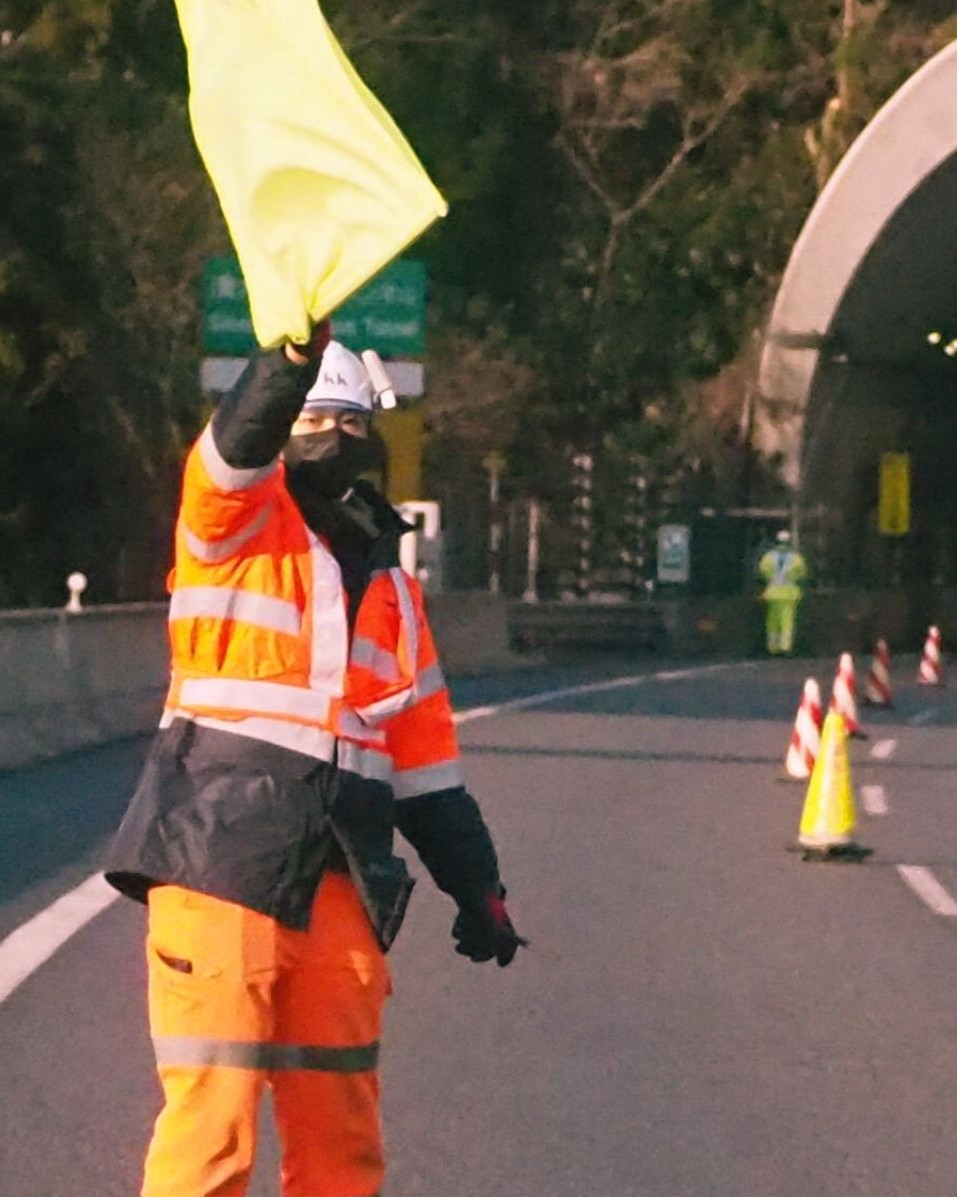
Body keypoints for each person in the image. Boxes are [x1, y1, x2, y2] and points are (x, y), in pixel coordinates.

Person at [105, 326, 523, 1197]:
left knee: (342, 1147)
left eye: (349, 419)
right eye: (314, 418)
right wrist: (286, 366)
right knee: (211, 1142)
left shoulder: (392, 587)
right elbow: (232, 450)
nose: (334, 435)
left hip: (342, 883)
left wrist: (476, 886)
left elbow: (426, 770)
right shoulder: (229, 530)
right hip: (219, 862)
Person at [757, 529, 808, 655]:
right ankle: (785, 647)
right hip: (789, 594)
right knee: (787, 621)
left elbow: (762, 572)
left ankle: (772, 647)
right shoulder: (796, 558)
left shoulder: (768, 557)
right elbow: (802, 574)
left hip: (773, 593)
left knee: (772, 621)